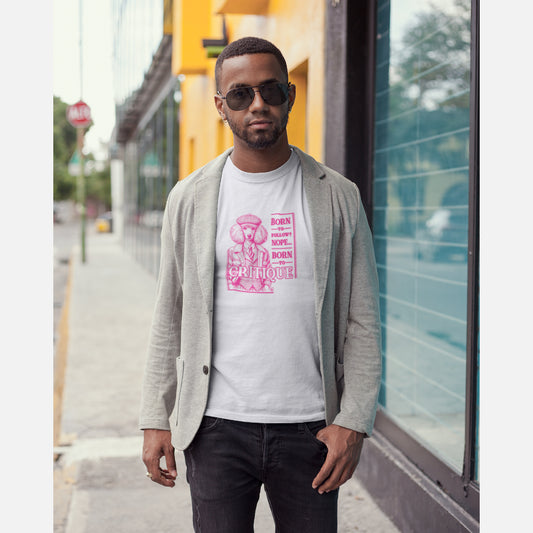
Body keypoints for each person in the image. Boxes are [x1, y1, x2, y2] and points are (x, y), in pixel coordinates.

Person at [140, 36, 382, 533]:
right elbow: (169, 312)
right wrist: (155, 416)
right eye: (240, 94)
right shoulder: (189, 198)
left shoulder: (337, 195)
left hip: (313, 428)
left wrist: (353, 420)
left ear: (290, 95)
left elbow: (362, 319)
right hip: (216, 427)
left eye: (271, 91)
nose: (258, 105)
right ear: (220, 106)